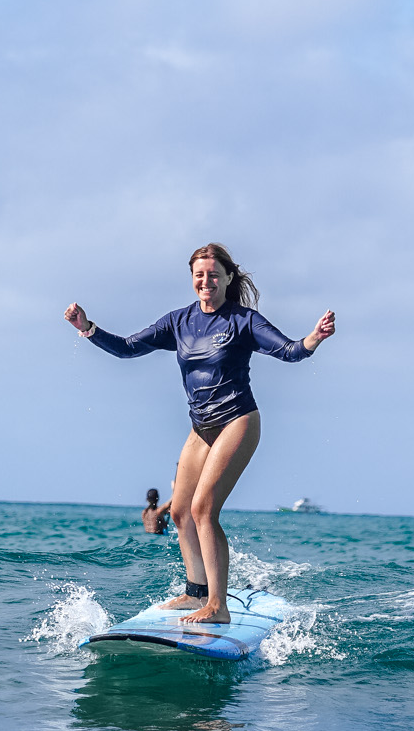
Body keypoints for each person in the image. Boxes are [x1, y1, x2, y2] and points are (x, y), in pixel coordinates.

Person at [66, 243, 335, 625]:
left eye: (213, 274)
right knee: (179, 512)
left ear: (227, 278)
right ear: (192, 279)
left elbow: (291, 351)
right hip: (200, 426)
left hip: (237, 421)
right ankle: (196, 594)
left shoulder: (244, 321)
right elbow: (127, 349)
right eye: (199, 275)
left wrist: (314, 338)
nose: (205, 281)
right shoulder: (179, 321)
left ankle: (218, 606)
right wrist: (87, 329)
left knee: (204, 509)